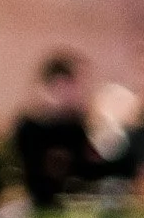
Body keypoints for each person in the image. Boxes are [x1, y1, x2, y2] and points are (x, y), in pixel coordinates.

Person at [13, 53, 113, 208]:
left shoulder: (77, 125)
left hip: (77, 204)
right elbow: (25, 174)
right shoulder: (28, 128)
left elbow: (92, 170)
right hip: (40, 205)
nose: (70, 94)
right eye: (63, 87)